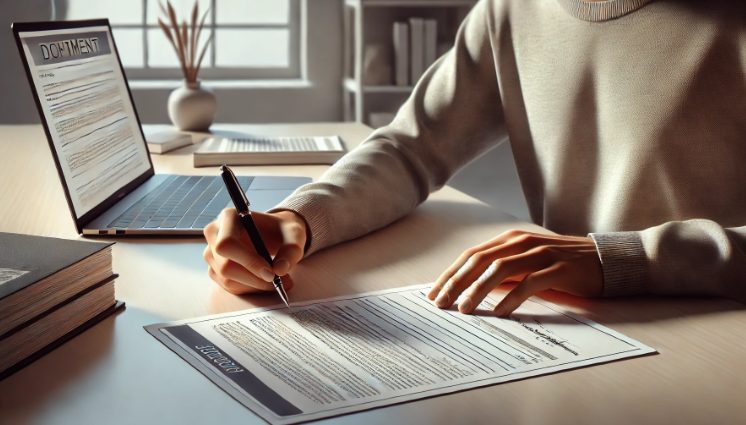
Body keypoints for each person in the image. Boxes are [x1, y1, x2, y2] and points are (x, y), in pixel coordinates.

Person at [203, 0, 746, 317]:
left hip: (715, 341)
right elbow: (412, 146)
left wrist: (626, 259)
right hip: (575, 335)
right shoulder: (511, 10)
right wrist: (299, 220)